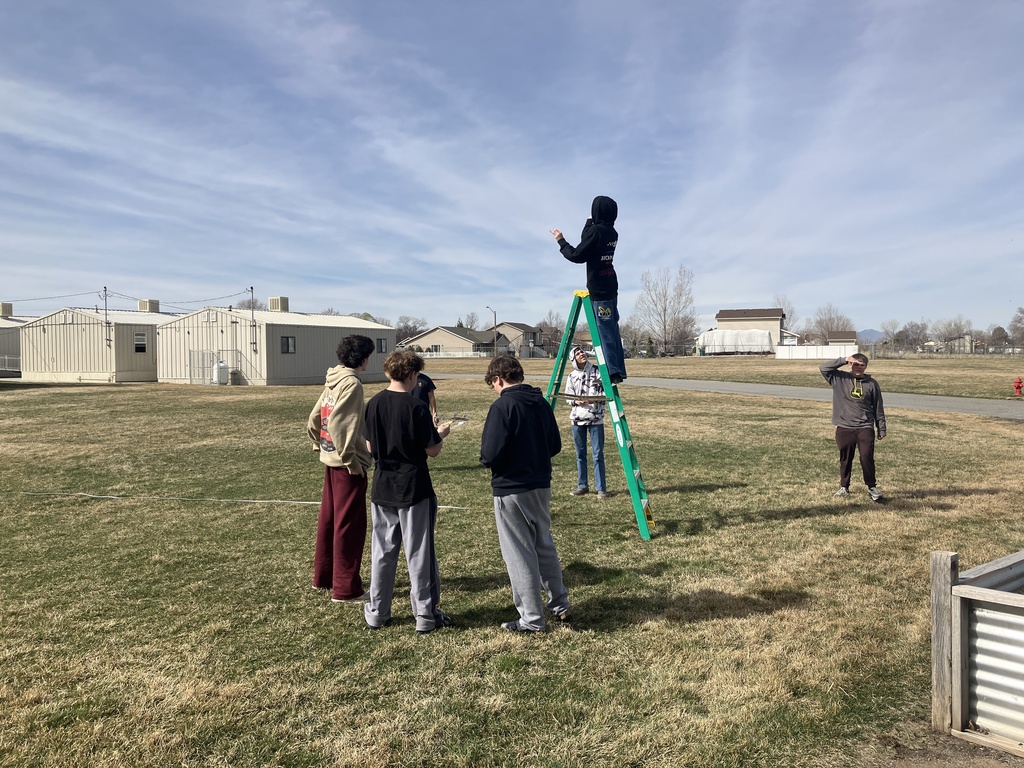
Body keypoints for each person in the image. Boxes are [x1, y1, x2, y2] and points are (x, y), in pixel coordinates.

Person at [362, 350, 452, 634]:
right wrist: (442, 434)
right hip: (414, 487)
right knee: (419, 553)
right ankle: (425, 615)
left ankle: (377, 611)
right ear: (412, 375)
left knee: (383, 552)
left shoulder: (373, 403)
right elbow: (432, 450)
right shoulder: (417, 407)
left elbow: (369, 447)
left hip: (382, 487)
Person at [480, 355, 571, 633]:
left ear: (498, 379)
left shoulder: (502, 406)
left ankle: (531, 618)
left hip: (511, 487)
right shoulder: (541, 403)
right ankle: (560, 604)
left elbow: (489, 454)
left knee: (519, 552)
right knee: (543, 544)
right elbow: (554, 445)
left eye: (493, 384)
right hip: (541, 484)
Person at [307, 335, 376, 602]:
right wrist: (352, 462)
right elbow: (340, 425)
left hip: (329, 460)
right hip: (347, 465)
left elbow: (315, 418)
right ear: (364, 358)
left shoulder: (332, 379)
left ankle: (324, 577)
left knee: (329, 520)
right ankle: (346, 588)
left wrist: (319, 446)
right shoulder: (352, 384)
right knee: (349, 525)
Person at [550, 195, 626, 383]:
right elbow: (588, 238)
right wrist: (589, 220)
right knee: (612, 329)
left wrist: (561, 241)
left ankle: (612, 372)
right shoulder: (611, 232)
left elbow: (577, 255)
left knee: (604, 331)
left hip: (599, 289)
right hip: (611, 285)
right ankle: (619, 369)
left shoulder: (597, 232)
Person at [820, 353, 887, 501]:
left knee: (866, 456)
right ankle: (844, 486)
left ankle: (872, 487)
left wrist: (881, 428)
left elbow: (878, 407)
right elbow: (824, 368)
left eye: (861, 365)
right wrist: (843, 360)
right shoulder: (839, 379)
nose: (858, 367)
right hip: (844, 426)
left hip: (865, 426)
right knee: (846, 458)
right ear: (850, 365)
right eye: (855, 364)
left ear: (866, 366)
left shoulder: (872, 383)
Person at [565, 346, 607, 499]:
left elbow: (605, 393)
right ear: (573, 358)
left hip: (596, 419)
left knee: (597, 454)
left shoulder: (598, 371)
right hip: (577, 420)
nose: (581, 354)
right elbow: (568, 397)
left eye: (582, 351)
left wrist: (592, 400)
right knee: (580, 454)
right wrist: (576, 402)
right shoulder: (571, 376)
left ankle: (601, 488)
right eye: (577, 353)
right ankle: (582, 485)